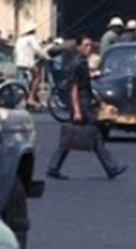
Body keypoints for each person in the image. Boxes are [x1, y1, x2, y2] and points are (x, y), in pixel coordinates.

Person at [47, 35, 127, 180]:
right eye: (85, 45)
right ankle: (112, 167)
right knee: (94, 134)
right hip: (81, 105)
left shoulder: (81, 62)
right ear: (78, 47)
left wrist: (96, 101)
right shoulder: (77, 64)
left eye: (90, 45)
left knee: (71, 137)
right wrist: (77, 110)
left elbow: (86, 86)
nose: (89, 48)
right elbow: (74, 88)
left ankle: (54, 167)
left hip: (85, 102)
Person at [15, 25, 50, 109]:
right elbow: (38, 50)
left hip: (19, 62)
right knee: (38, 77)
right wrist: (47, 57)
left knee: (33, 79)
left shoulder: (20, 40)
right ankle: (31, 98)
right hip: (29, 63)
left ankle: (30, 97)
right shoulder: (31, 38)